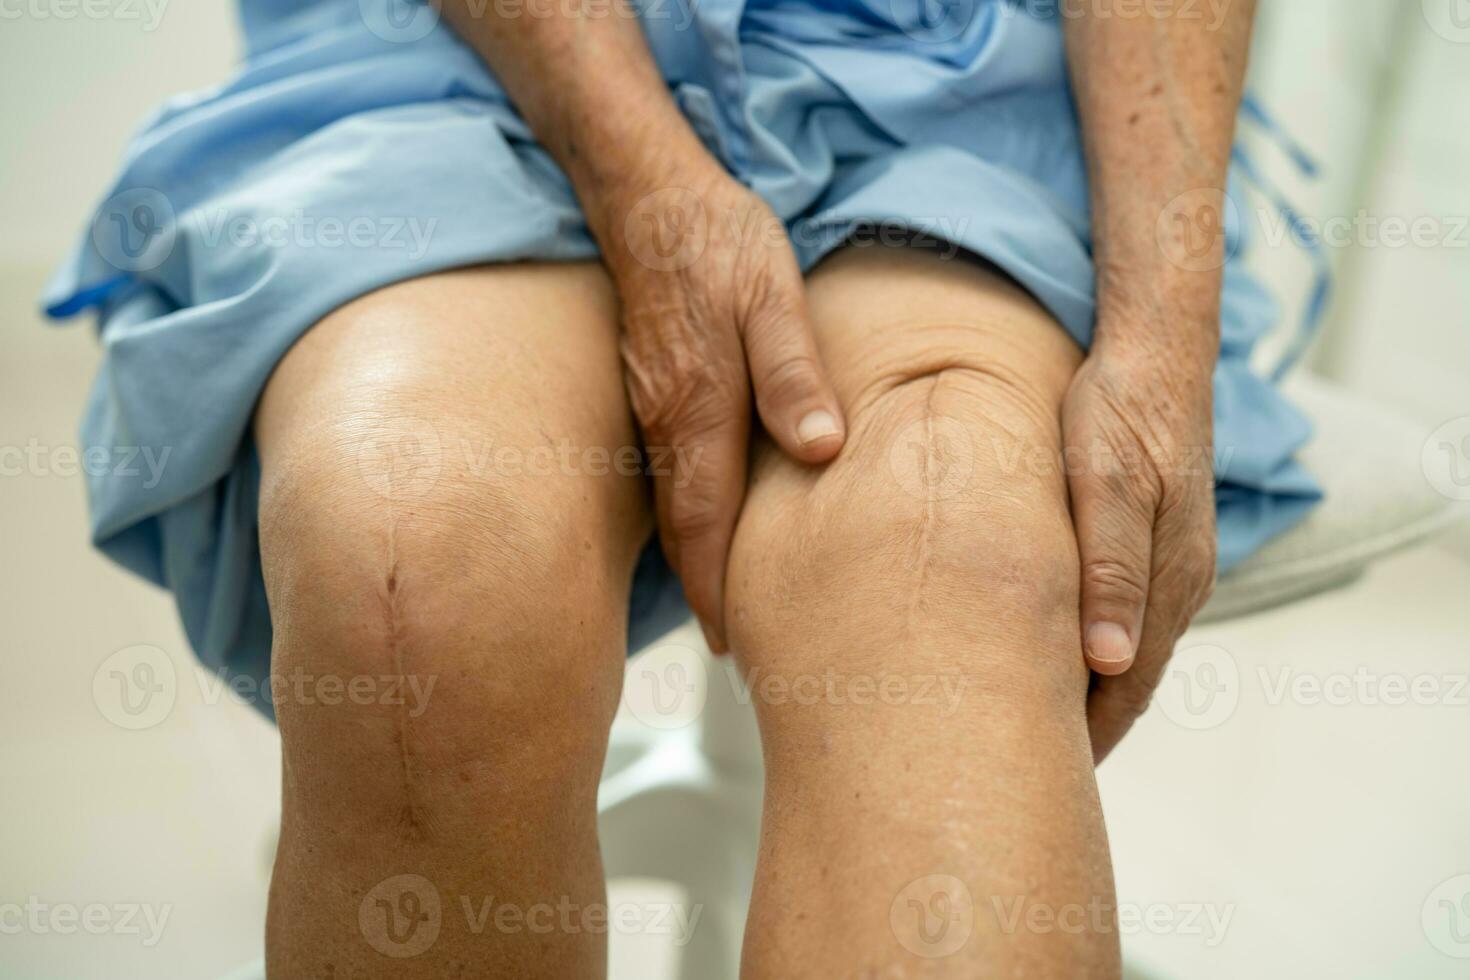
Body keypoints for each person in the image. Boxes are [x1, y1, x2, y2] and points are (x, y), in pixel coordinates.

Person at [45, 0, 1322, 974]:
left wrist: (1164, 336)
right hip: (452, 61)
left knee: (951, 564)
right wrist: (642, 177)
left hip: (944, 76)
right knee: (411, 567)